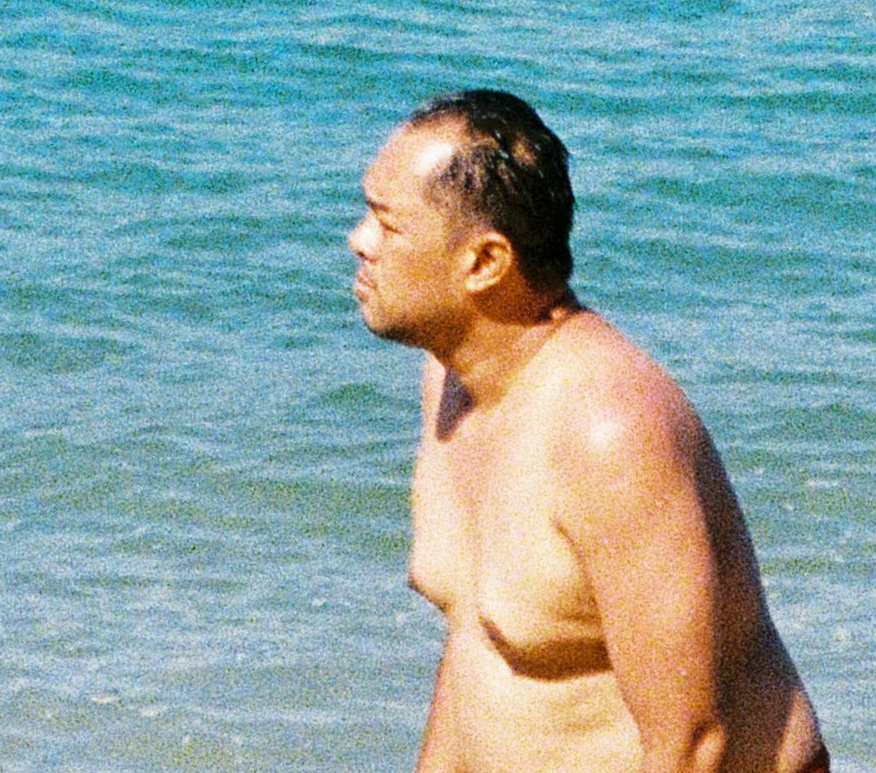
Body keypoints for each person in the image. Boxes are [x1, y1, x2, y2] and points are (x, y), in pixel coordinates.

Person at [346, 90, 833, 773]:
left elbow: (691, 745)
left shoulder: (608, 430)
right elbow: (474, 650)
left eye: (386, 224)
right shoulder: (449, 379)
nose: (358, 241)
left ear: (484, 263)